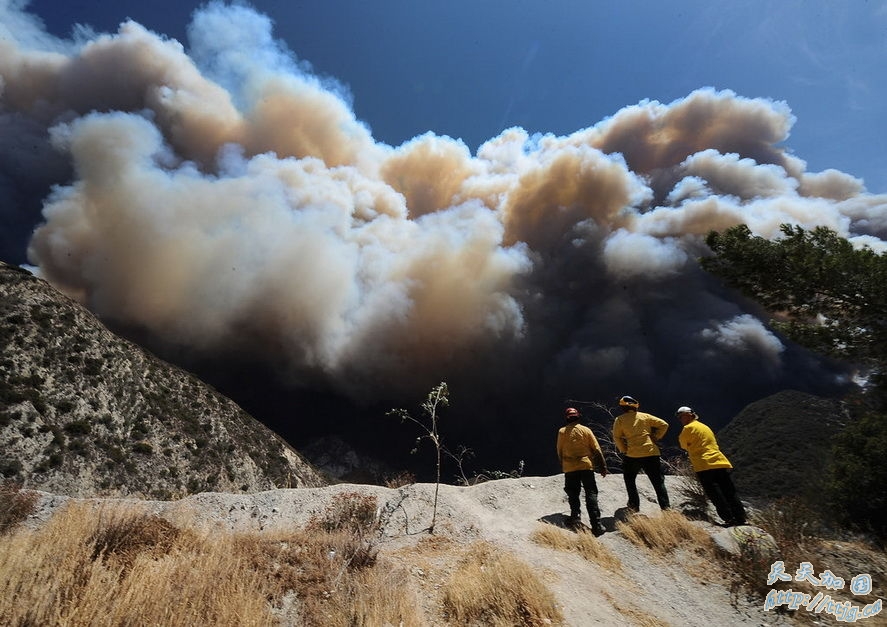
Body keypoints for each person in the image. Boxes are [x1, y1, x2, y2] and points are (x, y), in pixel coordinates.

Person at [675, 406, 747, 527]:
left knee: (715, 493)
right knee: (729, 491)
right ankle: (741, 517)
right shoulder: (705, 427)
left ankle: (728, 518)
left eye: (682, 416)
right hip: (719, 461)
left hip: (704, 464)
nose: (681, 419)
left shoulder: (687, 429)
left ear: (689, 415)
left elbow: (683, 445)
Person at [612, 395, 670, 511]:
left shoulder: (620, 420)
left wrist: (624, 450)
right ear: (636, 407)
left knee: (629, 478)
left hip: (633, 454)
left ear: (623, 408)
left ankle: (634, 505)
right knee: (658, 482)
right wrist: (656, 437)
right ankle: (665, 507)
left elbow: (617, 437)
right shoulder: (645, 416)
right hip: (651, 452)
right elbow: (664, 424)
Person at [557, 407, 608, 535]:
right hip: (586, 465)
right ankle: (596, 525)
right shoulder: (586, 430)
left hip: (570, 467)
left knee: (573, 493)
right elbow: (596, 449)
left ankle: (575, 516)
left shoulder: (562, 432)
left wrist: (563, 465)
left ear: (567, 418)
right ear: (578, 416)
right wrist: (602, 467)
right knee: (591, 493)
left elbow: (560, 451)